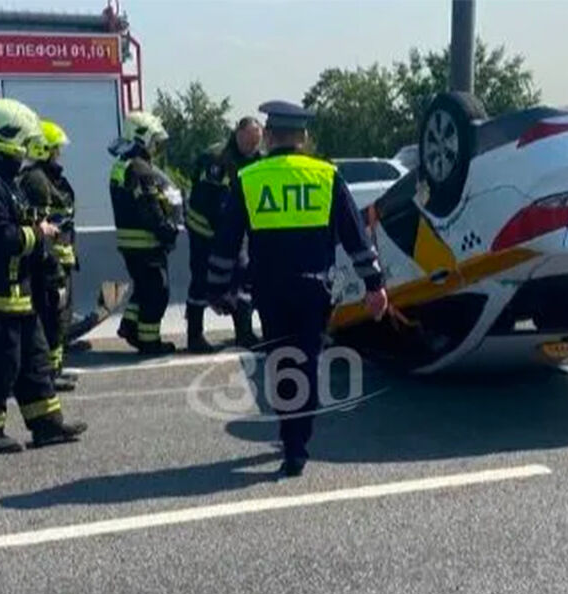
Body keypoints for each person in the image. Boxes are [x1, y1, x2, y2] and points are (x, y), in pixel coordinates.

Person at [207, 101, 389, 477]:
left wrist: (217, 288)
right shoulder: (326, 175)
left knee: (280, 361)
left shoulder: (250, 178)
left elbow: (227, 240)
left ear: (270, 138)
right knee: (306, 361)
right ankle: (297, 442)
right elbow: (355, 235)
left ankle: (291, 437)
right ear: (304, 139)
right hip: (315, 289)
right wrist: (374, 284)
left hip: (270, 291)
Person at [0, 98, 87, 455]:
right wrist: (38, 234)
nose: (29, 151)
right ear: (8, 138)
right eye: (25, 142)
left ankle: (47, 425)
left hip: (16, 289)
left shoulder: (3, 178)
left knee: (34, 359)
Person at [185, 117, 263, 353]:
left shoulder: (257, 160)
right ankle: (194, 336)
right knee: (200, 279)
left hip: (233, 231)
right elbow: (208, 201)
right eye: (248, 141)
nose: (251, 147)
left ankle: (244, 333)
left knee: (241, 276)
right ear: (237, 134)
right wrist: (227, 230)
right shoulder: (216, 159)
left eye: (256, 142)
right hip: (204, 230)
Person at [109, 111, 179, 355]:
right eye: (154, 141)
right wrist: (167, 231)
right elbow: (150, 209)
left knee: (144, 288)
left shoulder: (124, 165)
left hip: (130, 244)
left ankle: (129, 326)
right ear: (143, 138)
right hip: (146, 244)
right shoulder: (141, 170)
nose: (156, 147)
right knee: (157, 292)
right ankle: (150, 342)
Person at [18, 119, 78, 392]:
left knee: (58, 318)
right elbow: (44, 226)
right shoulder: (36, 181)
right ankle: (49, 373)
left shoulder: (46, 178)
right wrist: (51, 262)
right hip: (49, 263)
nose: (59, 154)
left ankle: (54, 371)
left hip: (59, 260)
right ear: (43, 150)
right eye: (55, 149)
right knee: (51, 319)